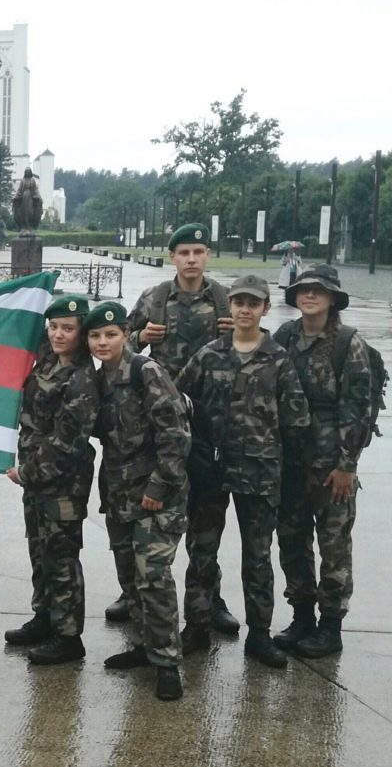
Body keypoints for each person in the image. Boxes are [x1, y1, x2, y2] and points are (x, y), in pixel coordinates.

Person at [176, 275, 310, 668]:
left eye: (254, 303)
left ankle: (260, 635)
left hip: (261, 471)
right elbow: (178, 398)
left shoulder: (279, 359)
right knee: (201, 550)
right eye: (238, 302)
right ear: (229, 308)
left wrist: (292, 472)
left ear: (265, 308)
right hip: (211, 472)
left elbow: (297, 420)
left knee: (257, 556)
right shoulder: (209, 354)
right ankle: (197, 626)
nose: (245, 309)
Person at [119, 222, 239, 635]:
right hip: (160, 424)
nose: (191, 259)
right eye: (184, 252)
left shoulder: (225, 298)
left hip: (210, 424)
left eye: (198, 252)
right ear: (172, 257)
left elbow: (252, 343)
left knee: (207, 515)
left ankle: (210, 598)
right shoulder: (154, 298)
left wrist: (237, 332)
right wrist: (140, 335)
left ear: (207, 256)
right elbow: (118, 347)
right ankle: (136, 591)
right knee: (152, 512)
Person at [85, 301, 188, 701]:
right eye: (94, 336)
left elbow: (175, 435)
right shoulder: (99, 379)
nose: (102, 342)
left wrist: (158, 489)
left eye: (110, 334)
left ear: (126, 334)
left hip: (157, 496)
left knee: (154, 577)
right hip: (120, 493)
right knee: (129, 576)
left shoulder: (146, 372)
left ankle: (168, 664)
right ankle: (147, 647)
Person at [273, 265, 372, 658]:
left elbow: (358, 409)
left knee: (333, 545)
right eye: (304, 290)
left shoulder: (348, 343)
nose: (310, 296)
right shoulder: (285, 336)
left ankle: (330, 625)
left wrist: (348, 464)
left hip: (332, 463)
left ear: (332, 298)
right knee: (292, 539)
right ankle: (301, 617)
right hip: (291, 459)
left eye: (318, 291)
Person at [4, 295, 99, 666]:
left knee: (61, 556)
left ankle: (68, 636)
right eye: (54, 327)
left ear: (82, 333)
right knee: (39, 552)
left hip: (63, 481)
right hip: (35, 480)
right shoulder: (47, 360)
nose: (59, 334)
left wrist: (25, 472)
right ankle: (44, 617)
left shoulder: (81, 378)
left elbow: (67, 442)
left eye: (68, 329)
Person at [12, 168, 43, 233]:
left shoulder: (33, 180)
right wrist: (16, 196)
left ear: (30, 172)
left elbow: (35, 189)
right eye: (26, 172)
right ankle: (24, 226)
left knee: (30, 212)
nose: (28, 173)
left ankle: (30, 226)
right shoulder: (23, 180)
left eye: (29, 172)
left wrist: (38, 197)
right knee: (24, 212)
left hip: (31, 197)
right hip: (24, 197)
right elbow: (19, 189)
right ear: (25, 173)